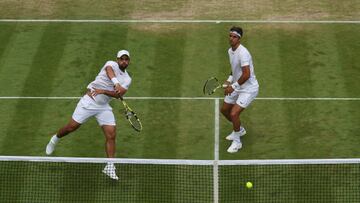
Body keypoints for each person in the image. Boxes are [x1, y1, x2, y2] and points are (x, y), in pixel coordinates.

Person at [45, 50, 133, 180]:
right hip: (89, 101)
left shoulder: (127, 79)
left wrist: (103, 91)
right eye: (122, 59)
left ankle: (110, 166)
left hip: (103, 107)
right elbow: (109, 72)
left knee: (111, 135)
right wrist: (116, 83)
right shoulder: (110, 64)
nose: (124, 61)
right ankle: (55, 139)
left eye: (126, 59)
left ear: (129, 61)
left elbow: (119, 94)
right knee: (71, 127)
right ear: (117, 59)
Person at [221, 26, 259, 153]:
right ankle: (239, 130)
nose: (231, 39)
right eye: (230, 36)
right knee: (225, 110)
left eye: (234, 37)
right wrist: (229, 79)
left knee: (234, 113)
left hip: (249, 89)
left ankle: (237, 142)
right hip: (238, 85)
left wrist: (233, 86)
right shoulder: (230, 51)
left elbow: (246, 74)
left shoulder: (243, 53)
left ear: (239, 39)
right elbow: (234, 68)